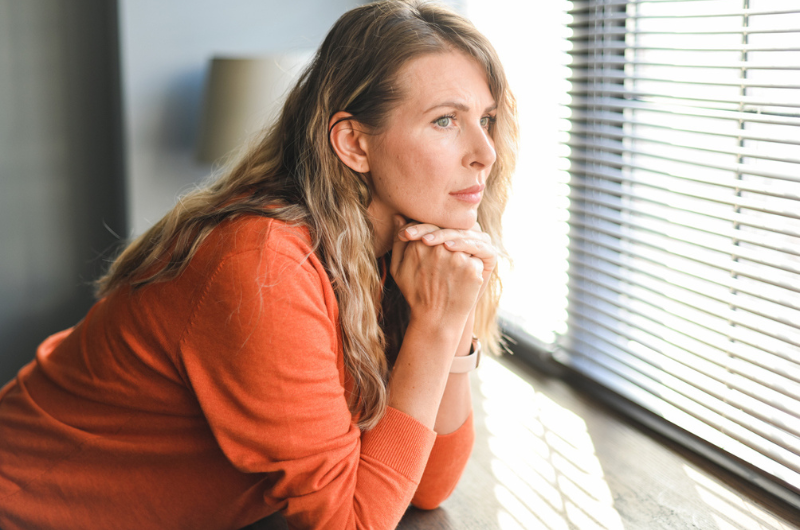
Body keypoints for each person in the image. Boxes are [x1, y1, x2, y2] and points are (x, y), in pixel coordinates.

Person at [0, 0, 518, 528]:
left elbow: (428, 486)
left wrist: (450, 320)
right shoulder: (264, 262)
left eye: (488, 119)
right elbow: (351, 523)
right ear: (354, 143)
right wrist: (434, 326)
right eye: (446, 120)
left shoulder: (396, 253)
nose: (485, 151)